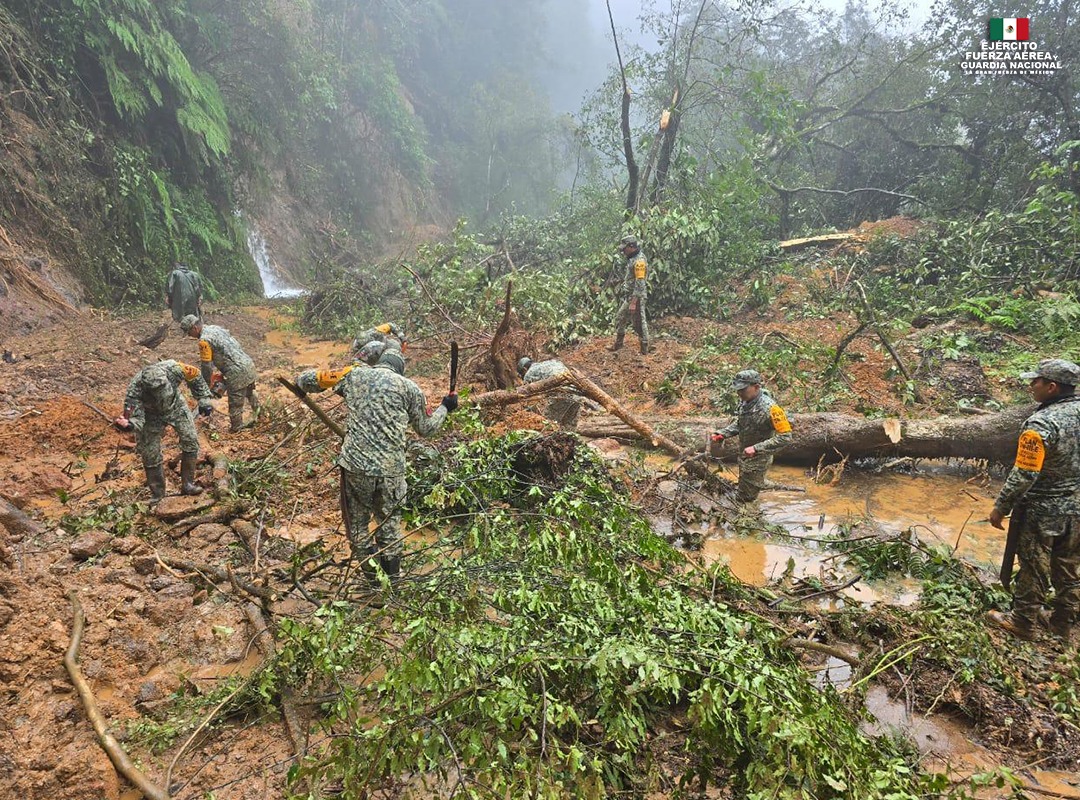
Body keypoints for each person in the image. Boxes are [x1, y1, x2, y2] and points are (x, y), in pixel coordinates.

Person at [294, 349, 456, 582]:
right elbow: (426, 429)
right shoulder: (410, 388)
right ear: (400, 369)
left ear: (379, 363)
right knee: (389, 524)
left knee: (358, 526)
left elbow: (312, 380)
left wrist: (300, 381)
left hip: (356, 468)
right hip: (391, 470)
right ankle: (392, 582)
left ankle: (373, 580)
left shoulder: (353, 375)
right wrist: (446, 407)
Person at [987, 358, 1080, 644]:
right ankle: (1062, 624)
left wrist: (1001, 507)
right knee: (1068, 566)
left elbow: (1024, 473)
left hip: (1043, 510)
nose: (1031, 386)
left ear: (1052, 387)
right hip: (1077, 508)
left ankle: (1022, 622)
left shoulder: (1040, 423)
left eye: (1036, 381)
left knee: (1034, 566)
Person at [114, 360, 213, 501]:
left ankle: (188, 485)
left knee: (190, 440)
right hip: (151, 415)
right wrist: (129, 425)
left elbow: (196, 376)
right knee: (150, 452)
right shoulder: (134, 391)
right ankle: (158, 495)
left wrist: (204, 400)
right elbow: (137, 418)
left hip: (176, 407)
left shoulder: (175, 369)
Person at [710, 370, 793, 503]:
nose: (739, 393)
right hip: (745, 456)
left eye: (743, 390)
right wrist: (723, 434)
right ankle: (760, 485)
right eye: (738, 390)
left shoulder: (772, 409)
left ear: (756, 387)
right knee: (745, 486)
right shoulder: (746, 402)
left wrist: (756, 448)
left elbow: (785, 437)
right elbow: (741, 424)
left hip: (758, 459)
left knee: (744, 500)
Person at [180, 314, 259, 432]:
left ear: (194, 328)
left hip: (236, 372)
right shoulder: (216, 328)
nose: (189, 336)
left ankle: (237, 428)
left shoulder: (204, 341)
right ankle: (260, 414)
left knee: (235, 404)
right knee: (249, 392)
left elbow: (206, 366)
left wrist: (205, 386)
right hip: (248, 364)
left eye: (188, 332)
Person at [610, 235, 649, 355]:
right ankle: (618, 344)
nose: (623, 251)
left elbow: (640, 283)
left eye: (624, 248)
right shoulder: (632, 258)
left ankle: (644, 349)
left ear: (631, 247)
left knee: (639, 324)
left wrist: (633, 302)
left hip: (636, 297)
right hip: (630, 296)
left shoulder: (639, 261)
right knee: (620, 317)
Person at [517, 356, 581, 430]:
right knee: (569, 427)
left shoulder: (529, 374)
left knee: (550, 425)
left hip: (562, 394)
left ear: (524, 369)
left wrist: (526, 413)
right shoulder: (550, 363)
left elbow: (529, 399)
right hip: (577, 393)